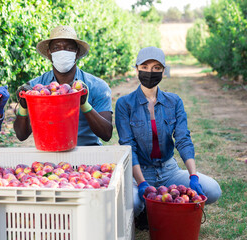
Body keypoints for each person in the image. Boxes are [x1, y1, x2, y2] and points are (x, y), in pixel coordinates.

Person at [115, 46, 222, 228]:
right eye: (145, 66)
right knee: (133, 203)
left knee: (213, 190)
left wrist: (193, 175)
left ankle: (156, 204)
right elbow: (128, 145)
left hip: (168, 170)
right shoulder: (124, 104)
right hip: (139, 172)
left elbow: (183, 139)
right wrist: (142, 183)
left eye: (157, 68)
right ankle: (147, 208)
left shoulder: (174, 102)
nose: (150, 71)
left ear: (164, 71)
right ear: (137, 69)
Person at [14, 25, 113, 145]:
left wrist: (84, 104)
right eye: (56, 48)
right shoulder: (37, 87)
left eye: (69, 48)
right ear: (49, 54)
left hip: (86, 152)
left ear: (76, 54)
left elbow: (106, 134)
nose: (62, 52)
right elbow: (21, 135)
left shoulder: (97, 86)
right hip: (50, 154)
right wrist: (23, 107)